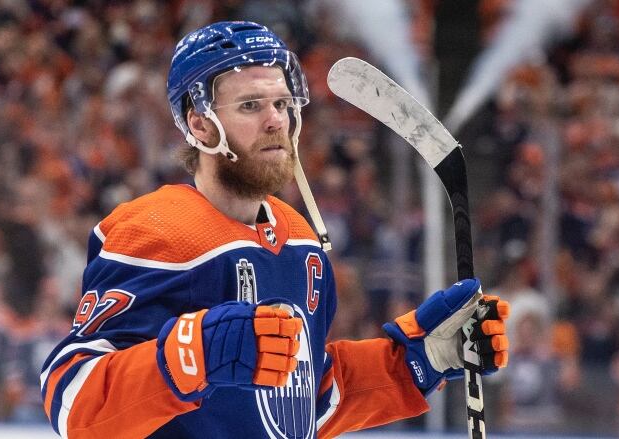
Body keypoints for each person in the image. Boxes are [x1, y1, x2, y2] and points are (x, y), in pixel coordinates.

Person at [40, 21, 510, 438]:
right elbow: (72, 404)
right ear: (200, 124)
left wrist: (419, 359)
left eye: (282, 103)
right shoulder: (156, 232)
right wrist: (189, 356)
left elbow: (304, 408)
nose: (276, 121)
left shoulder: (300, 240)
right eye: (250, 105)